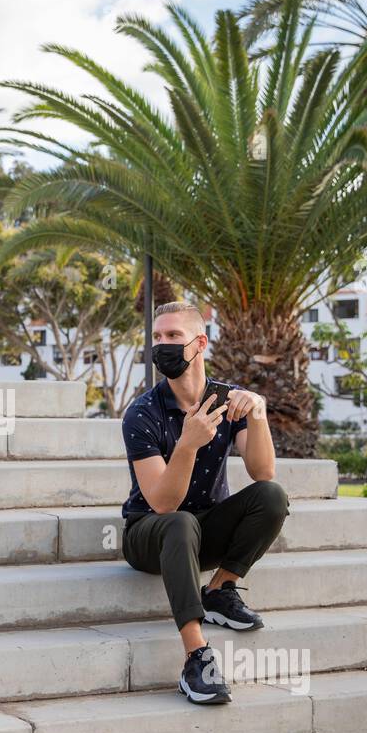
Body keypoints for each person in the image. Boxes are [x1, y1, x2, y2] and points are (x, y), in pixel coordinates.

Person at [121, 301, 289, 705]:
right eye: (157, 337)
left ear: (200, 343)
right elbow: (162, 503)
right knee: (179, 521)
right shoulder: (142, 413)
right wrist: (188, 444)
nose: (162, 345)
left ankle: (220, 589)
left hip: (204, 529)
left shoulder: (228, 402)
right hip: (149, 534)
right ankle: (197, 657)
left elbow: (263, 472)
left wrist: (259, 414)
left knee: (272, 497)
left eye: (173, 336)